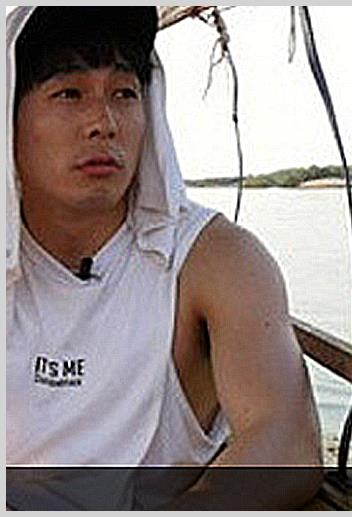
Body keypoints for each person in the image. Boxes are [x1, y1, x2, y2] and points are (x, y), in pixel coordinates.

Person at [6, 6, 323, 510]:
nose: (103, 123)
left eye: (124, 93)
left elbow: (284, 443)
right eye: (69, 93)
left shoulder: (213, 259)